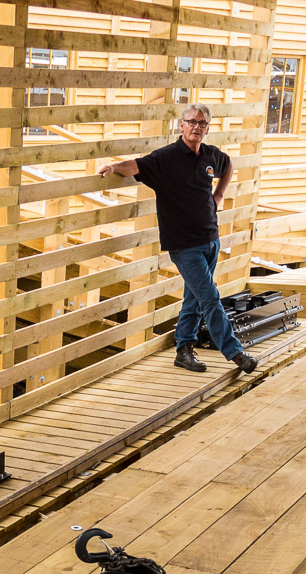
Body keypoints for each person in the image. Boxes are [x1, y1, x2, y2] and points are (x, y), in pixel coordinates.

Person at [97, 104, 257, 375]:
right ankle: (235, 352)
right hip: (184, 246)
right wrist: (112, 166)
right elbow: (135, 165)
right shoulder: (167, 158)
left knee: (195, 297)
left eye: (202, 123)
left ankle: (184, 350)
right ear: (181, 125)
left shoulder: (209, 155)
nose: (196, 127)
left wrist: (218, 196)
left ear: (207, 128)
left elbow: (228, 165)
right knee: (209, 297)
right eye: (191, 122)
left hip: (210, 239)